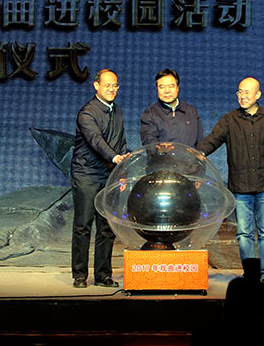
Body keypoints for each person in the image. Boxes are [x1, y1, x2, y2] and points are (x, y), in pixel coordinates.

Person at [197, 77, 264, 288]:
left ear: (258, 95)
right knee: (244, 233)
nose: (242, 96)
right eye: (239, 92)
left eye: (247, 92)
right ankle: (250, 274)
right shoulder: (230, 119)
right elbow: (212, 140)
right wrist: (198, 153)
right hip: (240, 186)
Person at [70, 69, 130, 288]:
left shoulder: (117, 111)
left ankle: (103, 275)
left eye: (115, 86)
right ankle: (79, 275)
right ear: (96, 86)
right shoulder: (87, 113)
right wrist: (115, 157)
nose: (112, 89)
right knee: (83, 225)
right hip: (86, 174)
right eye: (107, 85)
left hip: (110, 174)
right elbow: (96, 140)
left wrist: (123, 170)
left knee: (106, 226)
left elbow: (121, 143)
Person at [140, 68, 203, 148]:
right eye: (162, 87)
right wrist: (161, 149)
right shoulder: (150, 114)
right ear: (157, 89)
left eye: (171, 86)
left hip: (189, 156)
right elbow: (149, 142)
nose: (167, 91)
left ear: (177, 88)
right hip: (161, 156)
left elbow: (200, 144)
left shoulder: (191, 111)